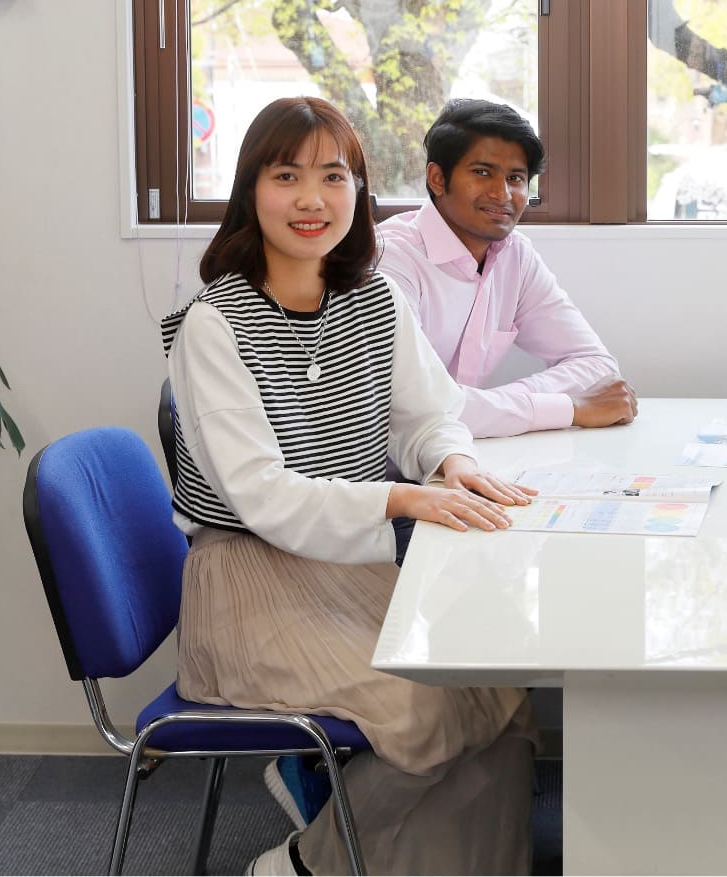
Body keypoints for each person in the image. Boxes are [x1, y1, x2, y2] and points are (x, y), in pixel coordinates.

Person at [163, 96, 538, 876]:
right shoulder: (214, 322)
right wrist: (403, 497)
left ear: (360, 192)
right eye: (286, 175)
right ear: (250, 191)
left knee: (501, 695)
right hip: (247, 580)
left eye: (334, 176)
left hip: (350, 572)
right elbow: (263, 496)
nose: (312, 198)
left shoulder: (373, 298)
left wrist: (449, 462)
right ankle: (306, 863)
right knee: (421, 707)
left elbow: (427, 415)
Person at [376, 98, 636, 438]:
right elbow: (415, 410)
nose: (503, 193)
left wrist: (482, 406)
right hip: (385, 475)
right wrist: (570, 407)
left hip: (466, 456)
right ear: (438, 178)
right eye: (482, 173)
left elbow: (596, 367)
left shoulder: (515, 255)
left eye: (516, 178)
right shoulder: (391, 258)